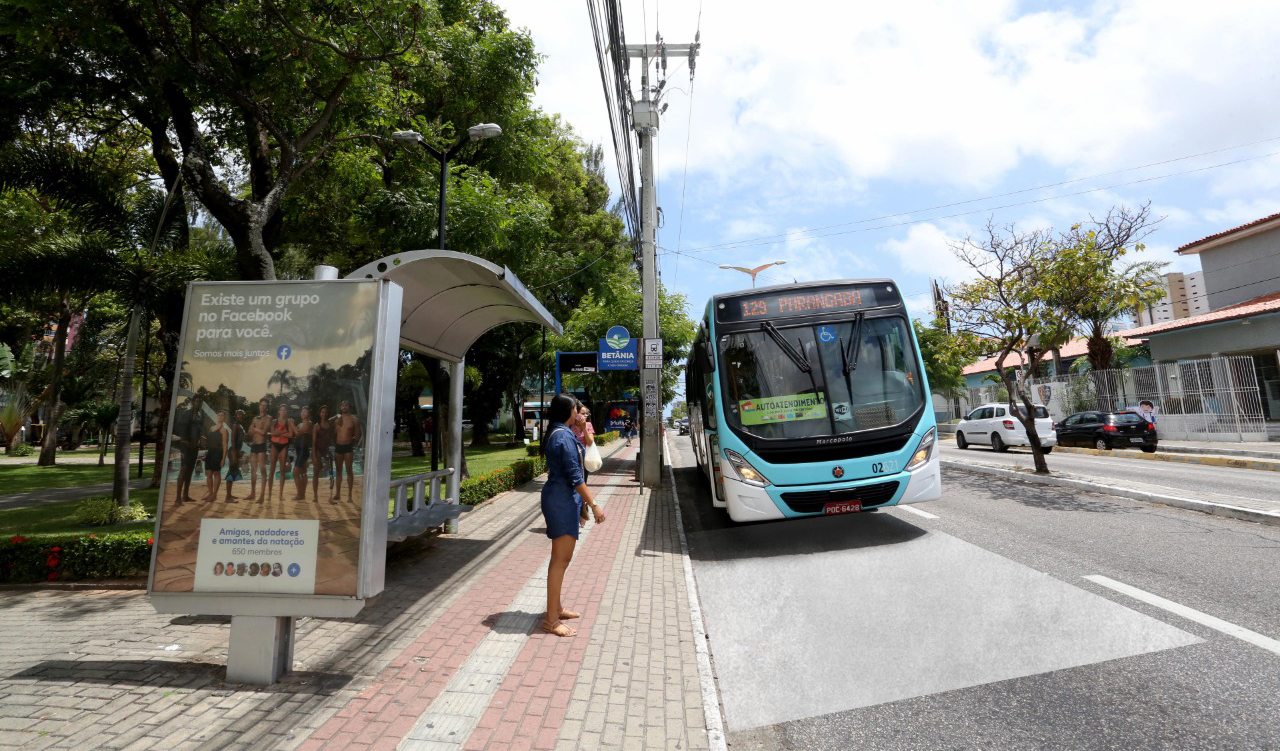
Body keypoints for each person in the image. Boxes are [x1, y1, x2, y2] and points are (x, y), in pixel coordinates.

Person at [539, 394, 606, 638]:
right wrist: (594, 505)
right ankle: (551, 620)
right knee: (560, 561)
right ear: (569, 411)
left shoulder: (563, 432)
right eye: (577, 409)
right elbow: (576, 477)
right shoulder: (564, 438)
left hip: (563, 500)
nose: (580, 413)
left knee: (561, 560)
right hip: (561, 501)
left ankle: (556, 608)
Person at [172, 395, 204, 504]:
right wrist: (185, 441)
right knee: (183, 470)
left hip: (195, 447)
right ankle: (177, 498)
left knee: (190, 471)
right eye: (196, 401)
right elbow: (181, 429)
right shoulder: (186, 413)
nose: (198, 404)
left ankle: (185, 495)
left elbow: (199, 430)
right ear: (193, 402)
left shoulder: (200, 415)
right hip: (185, 447)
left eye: (200, 402)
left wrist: (200, 439)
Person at [333, 400, 362, 502]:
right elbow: (334, 432)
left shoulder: (354, 420)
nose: (344, 407)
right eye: (342, 405)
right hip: (338, 447)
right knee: (339, 471)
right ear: (340, 407)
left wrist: (350, 442)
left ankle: (349, 495)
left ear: (349, 407)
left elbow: (358, 436)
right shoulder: (337, 419)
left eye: (346, 405)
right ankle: (338, 494)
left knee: (349, 470)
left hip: (348, 447)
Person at [267, 404, 293, 501]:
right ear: (279, 411)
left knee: (282, 470)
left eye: (285, 410)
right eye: (281, 410)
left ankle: (280, 495)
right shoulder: (274, 421)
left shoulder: (288, 422)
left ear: (286, 412)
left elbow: (290, 434)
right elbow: (272, 433)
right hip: (275, 445)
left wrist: (279, 432)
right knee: (272, 471)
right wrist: (283, 432)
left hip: (284, 445)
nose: (283, 412)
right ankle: (269, 494)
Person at [203, 409, 229, 501]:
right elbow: (208, 441)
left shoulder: (224, 430)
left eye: (222, 415)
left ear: (224, 418)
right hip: (210, 452)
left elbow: (225, 445)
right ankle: (210, 494)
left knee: (216, 473)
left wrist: (223, 458)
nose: (220, 417)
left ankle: (214, 495)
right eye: (219, 415)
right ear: (216, 417)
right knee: (208, 474)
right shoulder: (211, 428)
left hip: (218, 453)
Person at [248, 398, 271, 501]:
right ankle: (252, 494)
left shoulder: (269, 418)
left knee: (262, 470)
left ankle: (261, 495)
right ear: (259, 406)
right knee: (253, 470)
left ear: (267, 407)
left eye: (265, 405)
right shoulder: (255, 418)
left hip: (261, 445)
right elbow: (249, 431)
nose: (263, 407)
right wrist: (255, 429)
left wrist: (255, 429)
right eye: (261, 405)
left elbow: (264, 432)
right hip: (254, 445)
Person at [312, 404, 334, 501]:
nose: (324, 414)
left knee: (331, 473)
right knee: (316, 473)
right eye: (322, 412)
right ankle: (315, 496)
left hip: (327, 451)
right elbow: (313, 442)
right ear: (319, 414)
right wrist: (314, 455)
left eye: (325, 412)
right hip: (317, 451)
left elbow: (336, 417)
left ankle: (331, 496)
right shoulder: (316, 426)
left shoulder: (330, 424)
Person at [292, 407, 313, 500]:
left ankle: (299, 494)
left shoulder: (308, 423)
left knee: (295, 472)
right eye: (302, 411)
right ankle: (302, 494)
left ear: (308, 413)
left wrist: (291, 424)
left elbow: (298, 433)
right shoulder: (300, 424)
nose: (303, 413)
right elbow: (293, 434)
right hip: (299, 450)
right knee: (303, 473)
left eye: (305, 411)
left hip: (303, 451)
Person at [224, 409, 245, 502]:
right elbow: (232, 440)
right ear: (235, 416)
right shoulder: (235, 426)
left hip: (236, 451)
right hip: (233, 451)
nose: (240, 416)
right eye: (239, 414)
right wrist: (234, 453)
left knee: (233, 472)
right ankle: (228, 497)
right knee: (231, 473)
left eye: (242, 414)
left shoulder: (239, 425)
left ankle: (229, 495)